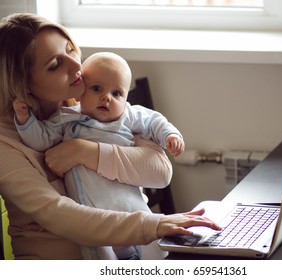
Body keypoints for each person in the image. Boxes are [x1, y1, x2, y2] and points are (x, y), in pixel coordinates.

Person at [0, 13, 220, 260]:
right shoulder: (5, 144)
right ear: (23, 83)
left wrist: (86, 152)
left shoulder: (90, 98)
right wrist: (152, 225)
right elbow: (59, 214)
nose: (76, 67)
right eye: (54, 65)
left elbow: (161, 172)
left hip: (129, 248)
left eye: (70, 49)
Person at [12, 51, 185, 260]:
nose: (106, 97)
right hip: (92, 218)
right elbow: (41, 140)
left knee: (151, 254)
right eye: (96, 89)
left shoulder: (127, 116)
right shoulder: (66, 118)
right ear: (80, 92)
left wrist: (170, 136)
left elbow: (154, 122)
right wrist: (25, 120)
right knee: (99, 258)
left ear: (126, 99)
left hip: (129, 208)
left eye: (117, 93)